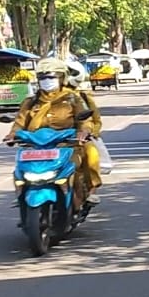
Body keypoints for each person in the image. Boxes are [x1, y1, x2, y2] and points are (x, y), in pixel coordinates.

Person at [2, 57, 99, 212]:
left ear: (62, 78)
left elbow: (85, 119)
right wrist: (12, 135)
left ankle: (88, 192)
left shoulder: (73, 98)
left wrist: (84, 131)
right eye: (43, 78)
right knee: (19, 170)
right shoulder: (31, 102)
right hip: (36, 146)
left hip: (67, 143)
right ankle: (21, 194)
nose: (47, 81)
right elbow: (20, 122)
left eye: (51, 77)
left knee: (90, 155)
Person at [63, 62, 106, 205]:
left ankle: (92, 189)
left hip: (76, 140)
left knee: (91, 153)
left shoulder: (83, 97)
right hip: (50, 142)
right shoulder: (43, 98)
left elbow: (95, 120)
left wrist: (88, 132)